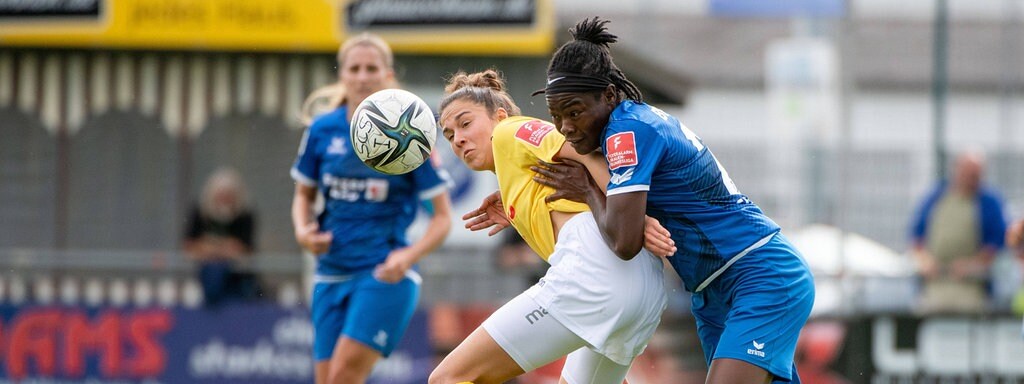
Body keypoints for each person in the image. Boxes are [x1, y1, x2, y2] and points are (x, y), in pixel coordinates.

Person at [530, 18, 816, 384]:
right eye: (557, 116)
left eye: (575, 112)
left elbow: (624, 241)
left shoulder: (626, 131)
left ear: (610, 95)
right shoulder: (626, 126)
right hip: (712, 291)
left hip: (758, 276)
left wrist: (587, 190)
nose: (566, 127)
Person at [428, 69, 674, 384]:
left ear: (499, 116)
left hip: (597, 275)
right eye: (449, 135)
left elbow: (587, 153)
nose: (458, 138)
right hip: (643, 290)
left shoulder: (509, 132)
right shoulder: (518, 179)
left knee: (448, 377)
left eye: (465, 123)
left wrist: (632, 216)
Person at [290, 33, 453, 384]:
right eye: (355, 68)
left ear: (388, 76)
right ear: (343, 75)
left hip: (383, 272)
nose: (363, 76)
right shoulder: (322, 131)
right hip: (329, 272)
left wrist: (407, 257)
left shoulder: (409, 136)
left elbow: (442, 217)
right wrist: (304, 232)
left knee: (344, 375)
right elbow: (303, 195)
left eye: (371, 68)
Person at [909, 151, 1007, 314]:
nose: (971, 180)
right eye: (967, 174)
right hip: (935, 283)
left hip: (971, 286)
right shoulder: (935, 197)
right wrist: (925, 261)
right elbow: (916, 238)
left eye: (975, 175)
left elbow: (995, 245)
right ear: (956, 171)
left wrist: (971, 266)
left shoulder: (990, 203)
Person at [183, 167, 261, 307]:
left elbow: (241, 249)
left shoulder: (244, 216)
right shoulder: (200, 213)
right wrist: (223, 248)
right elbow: (191, 247)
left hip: (238, 279)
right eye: (221, 195)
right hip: (206, 277)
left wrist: (210, 246)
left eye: (228, 195)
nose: (224, 199)